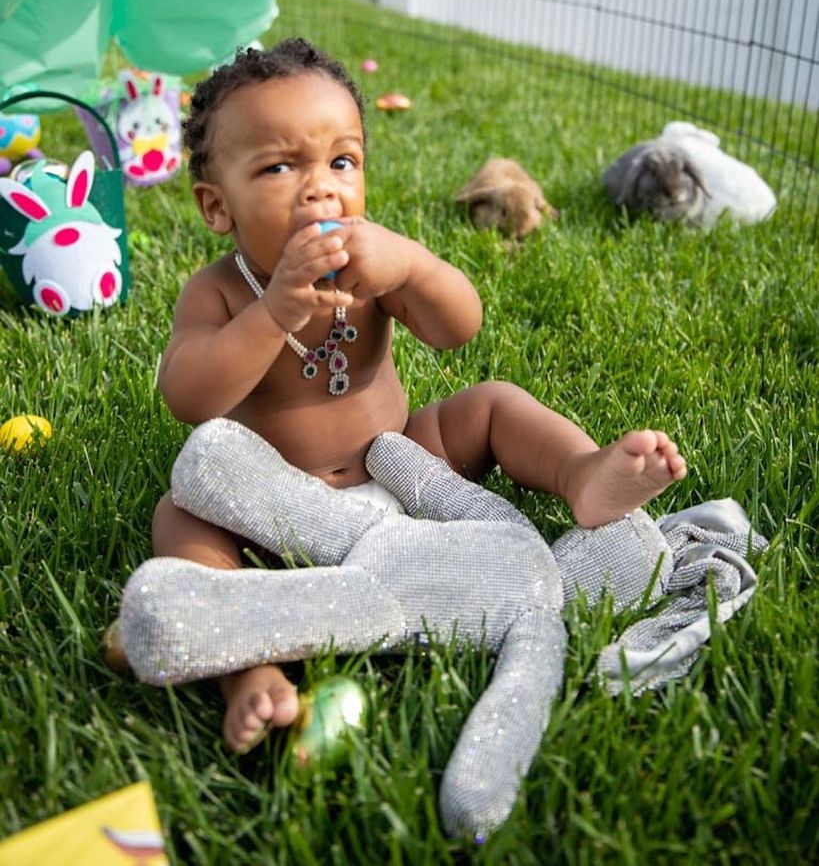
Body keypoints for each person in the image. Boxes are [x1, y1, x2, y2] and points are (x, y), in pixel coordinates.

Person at [151, 38, 687, 753]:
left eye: (341, 161)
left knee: (492, 402)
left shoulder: (373, 262)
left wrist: (412, 265)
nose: (321, 189)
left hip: (403, 460)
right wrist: (272, 312)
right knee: (181, 513)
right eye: (279, 166)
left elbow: (458, 327)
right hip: (281, 503)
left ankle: (582, 474)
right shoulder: (218, 290)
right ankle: (248, 668)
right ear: (217, 206)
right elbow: (189, 395)